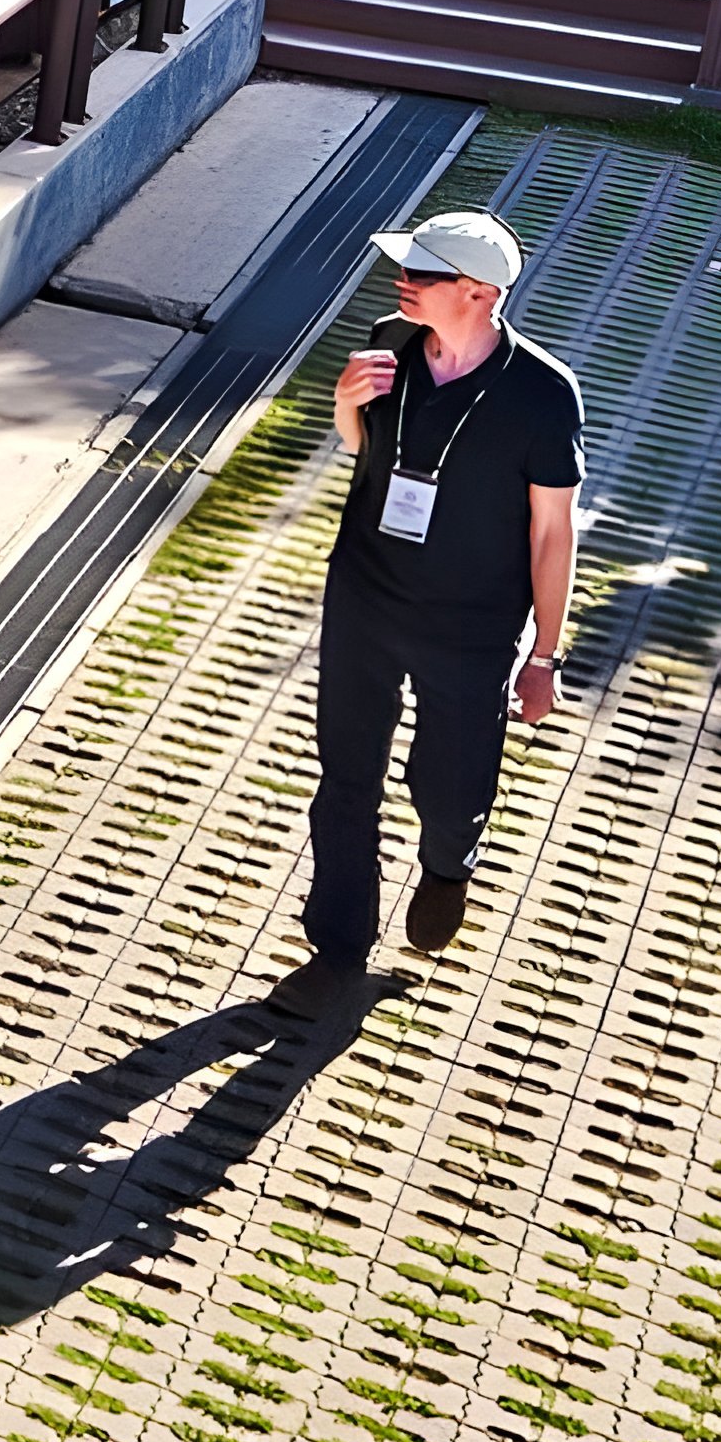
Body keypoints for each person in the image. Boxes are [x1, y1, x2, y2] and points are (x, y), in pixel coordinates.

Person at [275, 207, 580, 1021]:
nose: (401, 283)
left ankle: (450, 864)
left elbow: (552, 533)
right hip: (367, 594)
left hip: (472, 623)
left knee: (445, 791)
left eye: (423, 274)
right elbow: (365, 454)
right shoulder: (389, 342)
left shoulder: (544, 397)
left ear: (478, 293)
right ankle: (337, 947)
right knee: (346, 776)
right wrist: (345, 405)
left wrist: (545, 656)